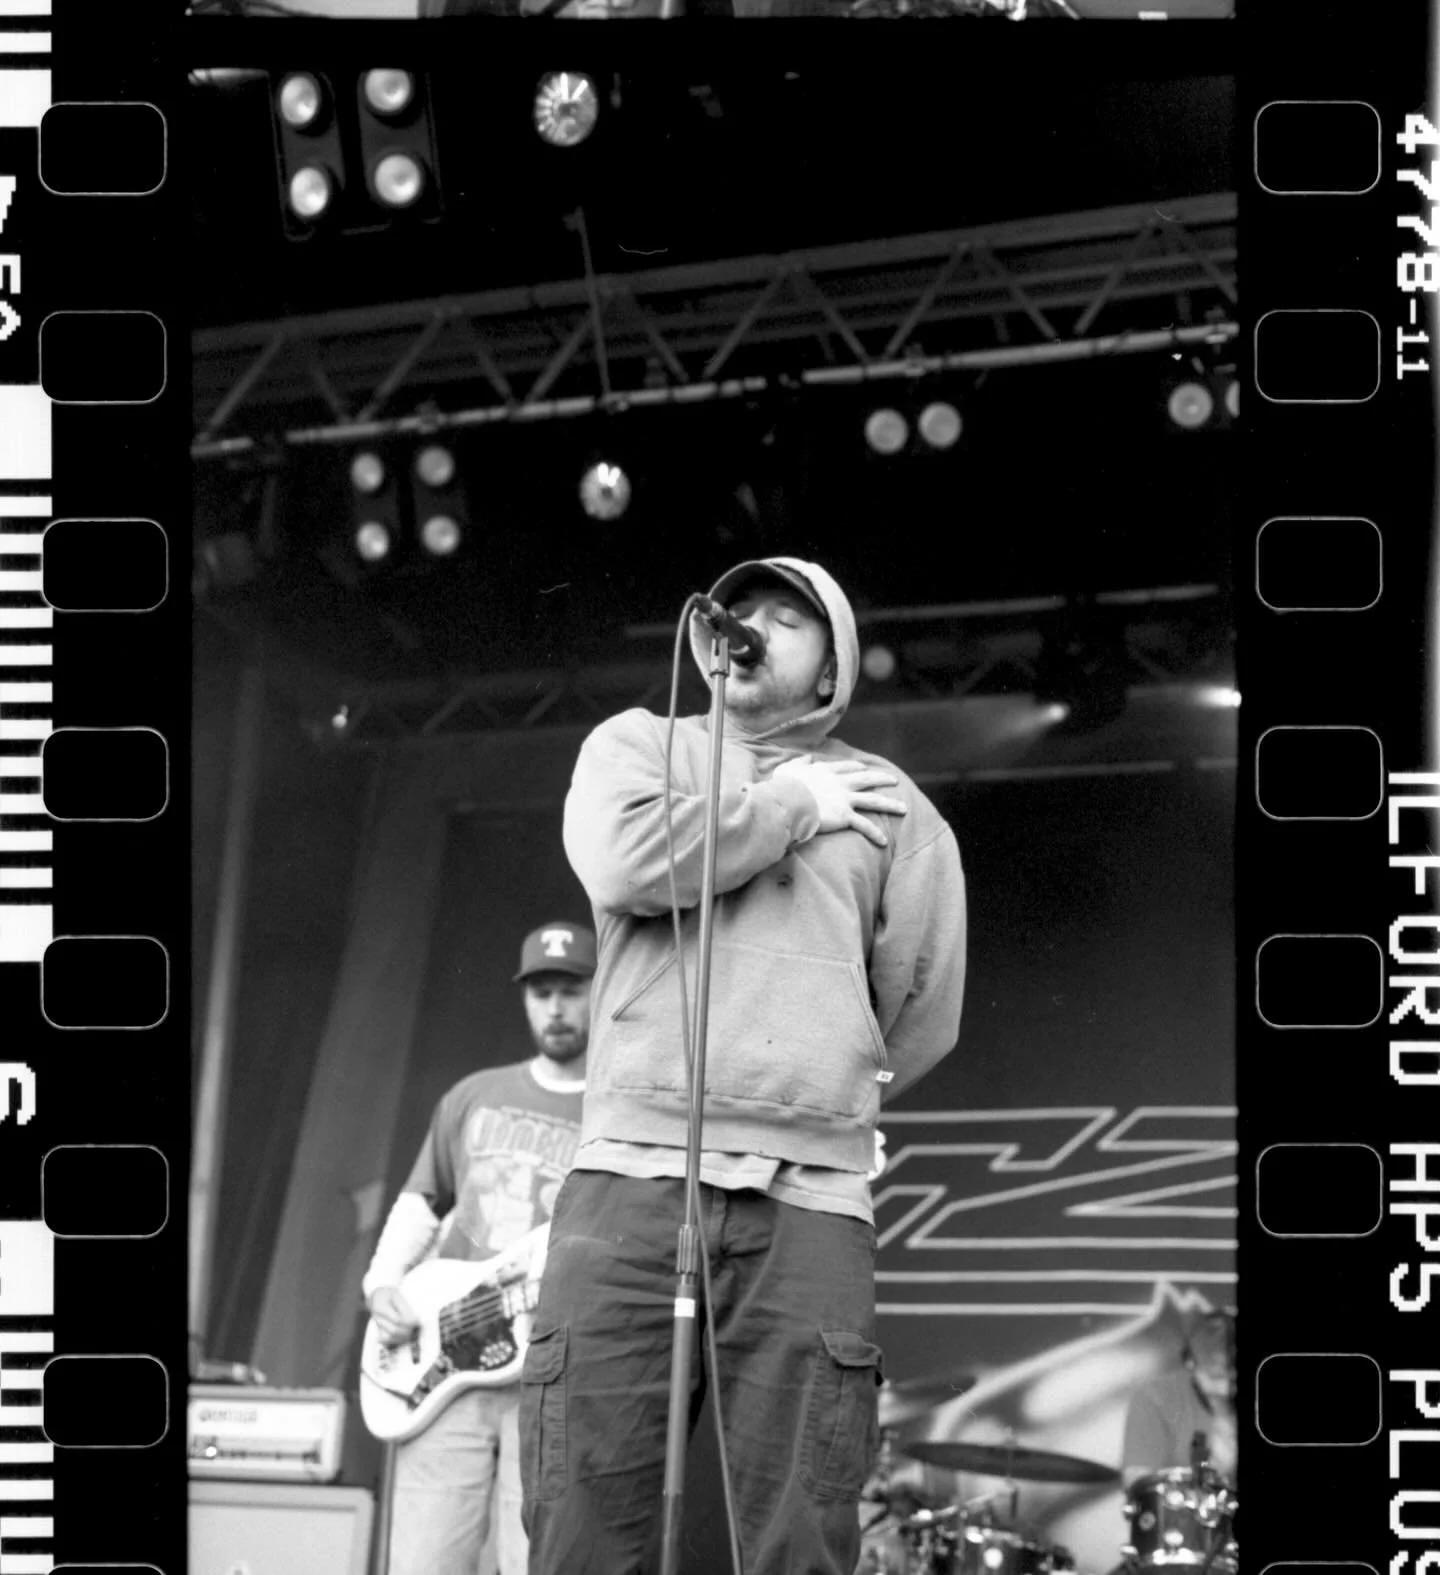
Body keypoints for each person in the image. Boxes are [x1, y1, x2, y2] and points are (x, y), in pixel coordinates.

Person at [520, 556, 967, 1575]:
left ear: (830, 672)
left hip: (808, 1201)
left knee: (803, 1532)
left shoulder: (893, 805)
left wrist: (828, 1081)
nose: (752, 624)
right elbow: (631, 863)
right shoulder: (637, 746)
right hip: (630, 1177)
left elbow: (921, 1002)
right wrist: (791, 809)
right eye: (743, 610)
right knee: (582, 1520)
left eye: (787, 617)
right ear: (707, 640)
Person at [362, 922, 596, 1575]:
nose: (555, 1007)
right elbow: (421, 1199)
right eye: (542, 991)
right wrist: (382, 1283)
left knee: (540, 1560)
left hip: (553, 1372)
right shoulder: (471, 1094)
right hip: (448, 1364)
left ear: (601, 992)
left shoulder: (621, 1109)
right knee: (426, 1560)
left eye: (571, 989)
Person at [1121, 1308, 1238, 1487]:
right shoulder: (1155, 1398)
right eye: (1216, 1375)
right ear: (1190, 1362)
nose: (1225, 1387)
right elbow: (1138, 1482)